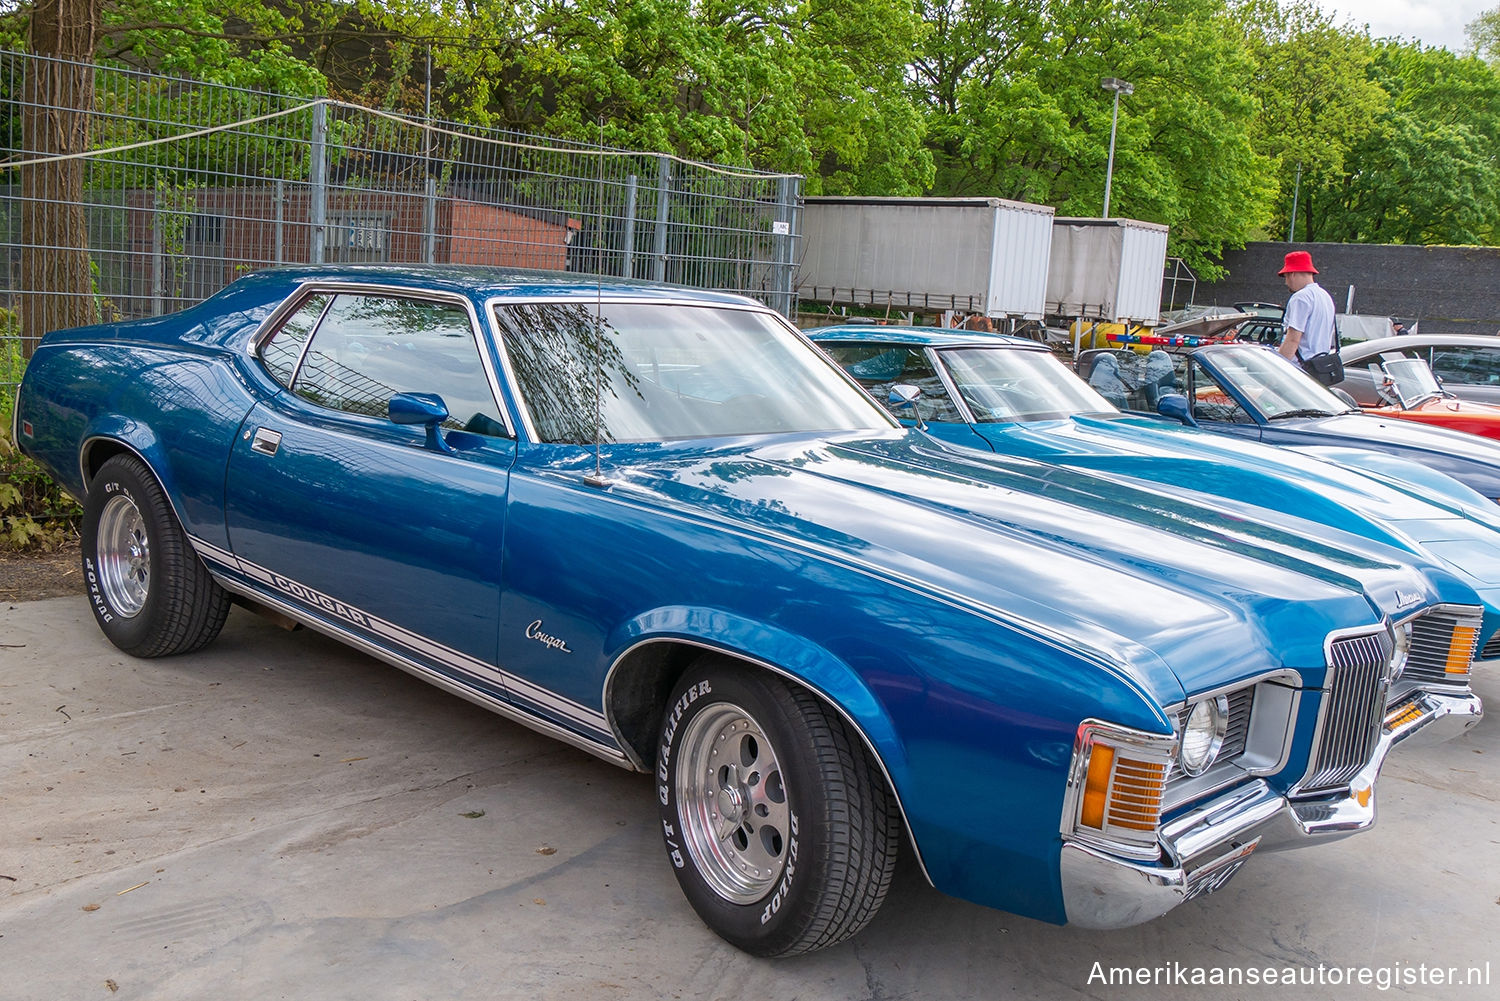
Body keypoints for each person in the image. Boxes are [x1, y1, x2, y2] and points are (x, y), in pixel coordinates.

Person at [1276, 250, 1336, 365]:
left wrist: (1278, 368)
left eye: (1286, 277)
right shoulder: (1325, 296)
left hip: (1300, 368)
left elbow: (1293, 340)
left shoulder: (1300, 298)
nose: (1286, 283)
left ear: (1292, 273)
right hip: (1320, 366)